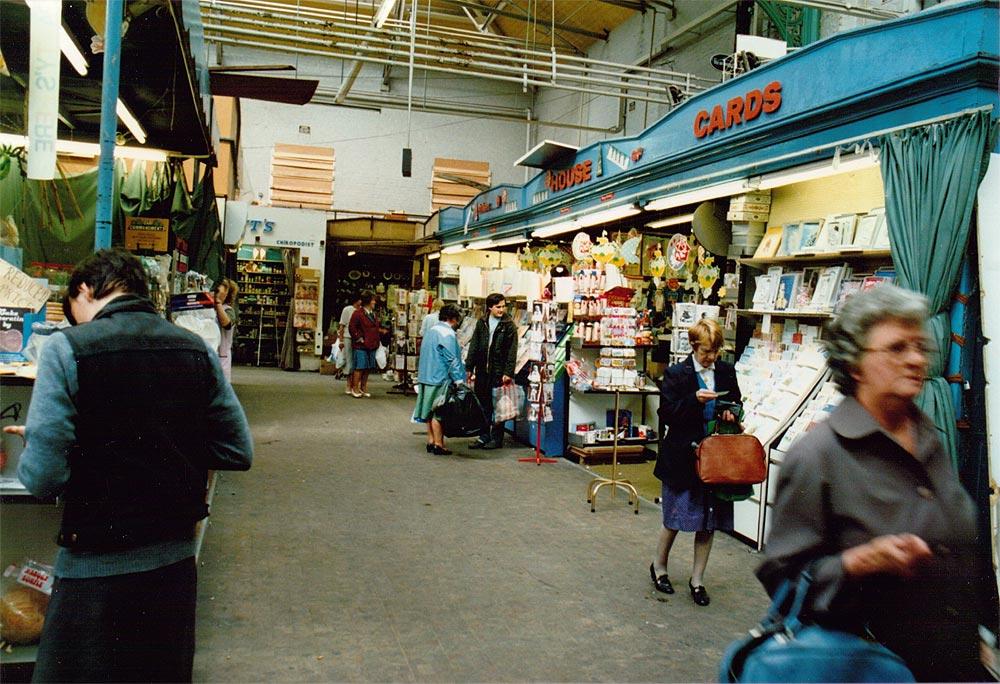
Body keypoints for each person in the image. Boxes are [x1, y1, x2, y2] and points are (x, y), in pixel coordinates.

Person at [3, 248, 253, 683]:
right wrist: (167, 443)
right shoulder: (195, 349)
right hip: (174, 566)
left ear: (84, 289)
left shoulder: (68, 348)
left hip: (92, 571)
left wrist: (55, 441)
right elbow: (237, 450)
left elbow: (43, 478)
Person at [756, 284, 995, 682]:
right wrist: (860, 562)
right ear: (855, 365)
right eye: (897, 348)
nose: (916, 359)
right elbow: (783, 580)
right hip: (868, 669)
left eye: (921, 346)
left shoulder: (930, 437)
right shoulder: (818, 456)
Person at [651, 317, 741, 607]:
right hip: (683, 457)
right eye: (705, 352)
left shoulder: (726, 371)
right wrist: (695, 401)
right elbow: (666, 413)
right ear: (693, 346)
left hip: (716, 457)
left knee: (708, 521)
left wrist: (731, 414)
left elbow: (737, 402)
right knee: (675, 517)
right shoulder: (677, 374)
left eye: (715, 352)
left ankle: (697, 579)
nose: (711, 357)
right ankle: (659, 566)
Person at [465, 293, 518, 449]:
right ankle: (484, 435)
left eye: (503, 306)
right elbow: (474, 344)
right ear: (490, 307)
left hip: (499, 372)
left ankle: (497, 438)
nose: (502, 309)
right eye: (498, 307)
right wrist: (469, 366)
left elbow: (512, 351)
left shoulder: (509, 325)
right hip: (482, 371)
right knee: (483, 404)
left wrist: (508, 372)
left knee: (498, 405)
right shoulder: (482, 323)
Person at [412, 303, 466, 455]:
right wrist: (459, 380)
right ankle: (438, 443)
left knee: (428, 410)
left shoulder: (431, 331)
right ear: (454, 319)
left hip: (425, 375)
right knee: (439, 412)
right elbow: (451, 359)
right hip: (440, 377)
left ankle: (430, 440)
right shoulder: (447, 334)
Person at [348, 289, 380, 398]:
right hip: (361, 345)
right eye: (373, 300)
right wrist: (359, 338)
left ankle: (363, 387)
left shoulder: (373, 314)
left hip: (372, 344)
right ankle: (355, 388)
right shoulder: (357, 313)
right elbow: (352, 328)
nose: (374, 302)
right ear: (368, 301)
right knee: (360, 366)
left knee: (368, 367)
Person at [213, 277, 239, 382]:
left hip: (221, 356)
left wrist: (218, 302)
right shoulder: (209, 307)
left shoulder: (228, 310)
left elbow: (226, 324)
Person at [337, 293, 361, 395]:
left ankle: (355, 384)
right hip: (348, 337)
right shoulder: (347, 310)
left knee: (356, 361)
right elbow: (342, 326)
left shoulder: (361, 311)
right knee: (349, 360)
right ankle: (348, 384)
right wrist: (341, 340)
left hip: (358, 338)